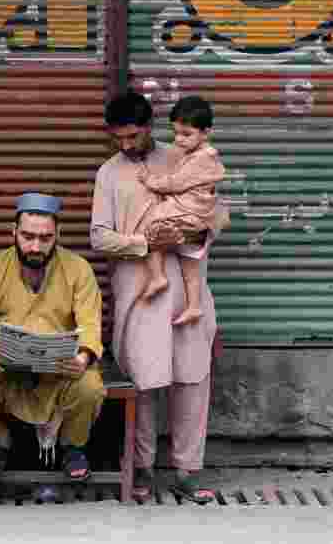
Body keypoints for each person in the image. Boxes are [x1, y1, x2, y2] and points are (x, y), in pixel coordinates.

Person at [91, 93, 224, 504]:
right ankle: (143, 469)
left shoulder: (187, 155)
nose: (126, 145)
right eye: (119, 138)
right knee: (144, 384)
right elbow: (99, 236)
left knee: (192, 380)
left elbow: (217, 214)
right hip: (140, 294)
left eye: (133, 136)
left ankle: (187, 471)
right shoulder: (108, 173)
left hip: (188, 294)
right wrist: (144, 242)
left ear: (151, 126)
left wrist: (193, 233)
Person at [0, 192, 106, 483]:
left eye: (45, 238)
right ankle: (0, 441)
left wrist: (83, 357)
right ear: (14, 232)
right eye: (28, 236)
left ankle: (72, 446)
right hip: (6, 371)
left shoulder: (79, 270)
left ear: (58, 234)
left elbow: (90, 324)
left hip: (60, 372)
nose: (36, 246)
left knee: (90, 386)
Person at [137, 96, 225, 327]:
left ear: (206, 133)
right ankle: (194, 306)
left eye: (186, 134)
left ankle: (157, 276)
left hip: (188, 210)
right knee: (190, 262)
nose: (179, 140)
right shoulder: (202, 155)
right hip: (200, 217)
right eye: (175, 133)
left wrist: (150, 181)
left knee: (151, 222)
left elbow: (176, 183)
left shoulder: (201, 159)